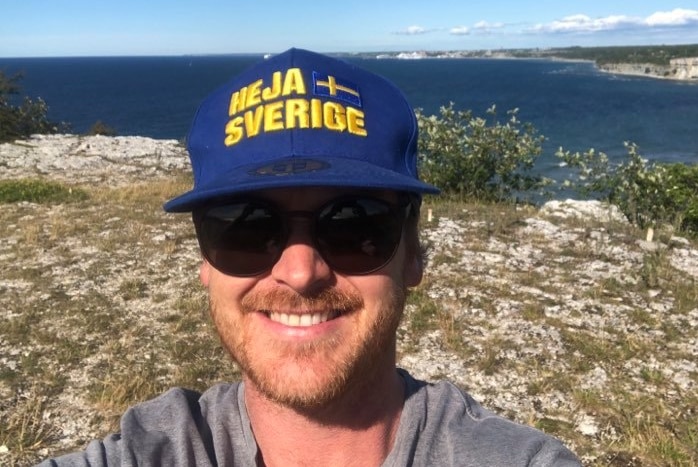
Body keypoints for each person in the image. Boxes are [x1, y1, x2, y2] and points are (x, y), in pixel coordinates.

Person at [39, 48, 581, 466]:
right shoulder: (151, 452)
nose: (299, 273)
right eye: (245, 227)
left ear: (414, 252)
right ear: (205, 260)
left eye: (354, 223)